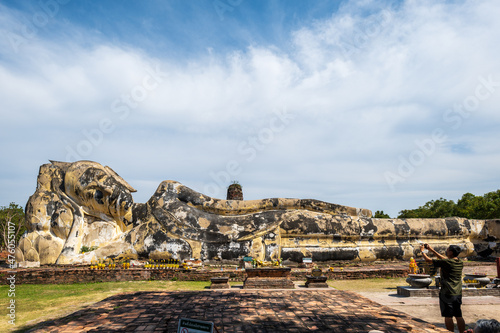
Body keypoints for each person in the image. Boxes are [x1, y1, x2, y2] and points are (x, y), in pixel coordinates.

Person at [420, 243, 465, 333]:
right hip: (457, 293)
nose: (446, 251)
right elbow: (444, 259)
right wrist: (432, 250)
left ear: (451, 252)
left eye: (448, 250)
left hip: (447, 292)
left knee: (448, 316)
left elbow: (428, 260)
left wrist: (422, 251)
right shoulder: (459, 262)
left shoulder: (447, 262)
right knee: (458, 315)